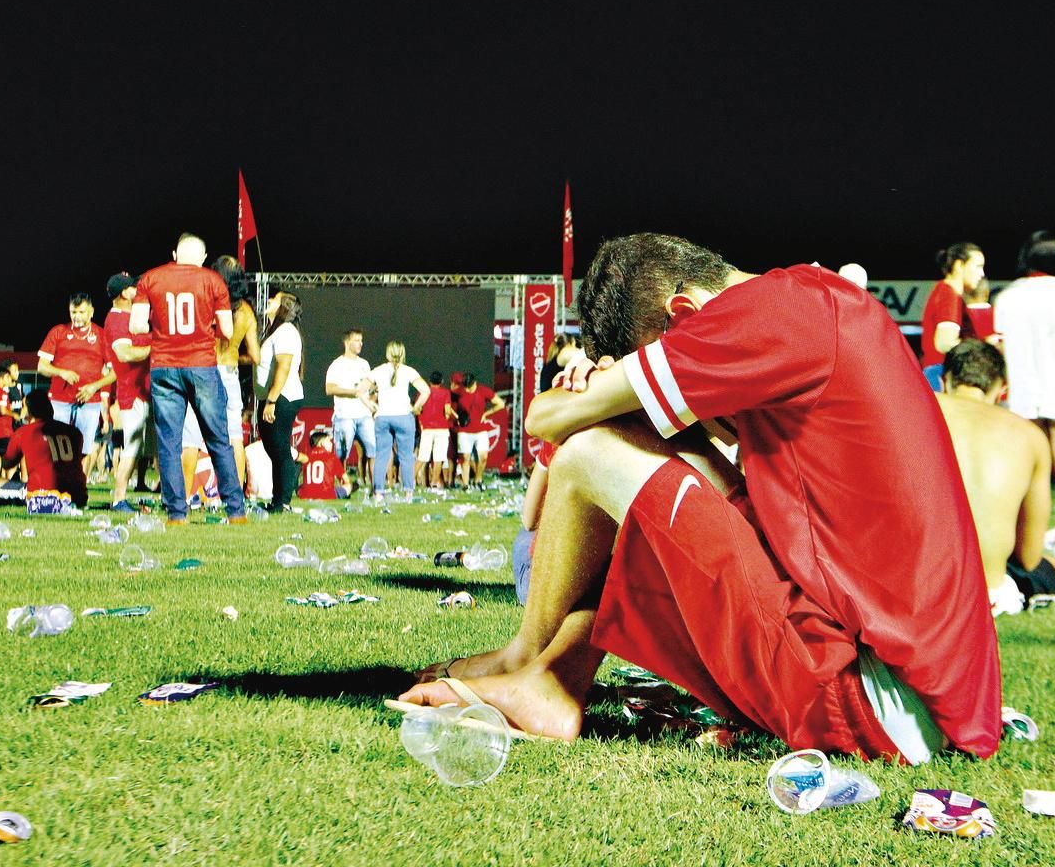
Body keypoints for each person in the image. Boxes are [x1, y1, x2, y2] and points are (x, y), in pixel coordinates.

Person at [400, 234, 1002, 762]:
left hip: (867, 702)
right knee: (649, 453)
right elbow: (706, 460)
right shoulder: (809, 300)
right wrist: (627, 395)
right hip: (919, 691)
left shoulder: (763, 315)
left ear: (681, 313)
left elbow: (549, 420)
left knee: (589, 451)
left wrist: (601, 390)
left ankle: (538, 670)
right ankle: (541, 669)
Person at [937, 341, 1055, 616]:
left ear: (944, 381)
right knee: (1053, 569)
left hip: (907, 587)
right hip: (985, 595)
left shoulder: (914, 409)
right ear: (1002, 390)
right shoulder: (1029, 435)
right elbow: (1029, 557)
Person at [130, 235, 246, 523]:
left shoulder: (151, 278)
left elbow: (135, 326)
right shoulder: (213, 281)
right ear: (204, 256)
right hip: (202, 366)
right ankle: (236, 511)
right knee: (218, 439)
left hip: (164, 366)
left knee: (170, 443)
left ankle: (176, 513)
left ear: (174, 253)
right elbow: (228, 331)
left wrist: (161, 330)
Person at [993, 231, 1055, 548]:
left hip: (1022, 389)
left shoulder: (1007, 296)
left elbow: (1001, 346)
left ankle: (1025, 532)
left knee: (1026, 464)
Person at [36, 293, 115, 479]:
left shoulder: (102, 336)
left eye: (81, 312)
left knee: (85, 449)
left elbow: (115, 373)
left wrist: (94, 387)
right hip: (60, 401)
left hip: (90, 402)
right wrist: (61, 372)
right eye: (73, 312)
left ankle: (79, 489)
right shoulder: (58, 332)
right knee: (57, 448)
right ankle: (56, 486)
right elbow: (41, 366)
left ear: (91, 312)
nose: (77, 316)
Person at [101, 272, 151, 510]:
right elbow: (125, 354)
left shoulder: (130, 316)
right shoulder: (117, 319)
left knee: (143, 448)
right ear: (124, 293)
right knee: (131, 447)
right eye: (133, 288)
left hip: (144, 390)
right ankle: (119, 498)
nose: (137, 291)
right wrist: (157, 348)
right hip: (132, 392)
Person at [0, 389, 88, 508]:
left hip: (43, 494)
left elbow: (7, 463)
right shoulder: (74, 432)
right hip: (78, 495)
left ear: (30, 412)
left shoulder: (24, 432)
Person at [210, 255, 260, 489]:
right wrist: (234, 356)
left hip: (206, 371)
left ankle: (193, 492)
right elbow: (256, 357)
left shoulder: (208, 304)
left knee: (195, 437)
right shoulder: (246, 312)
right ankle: (236, 492)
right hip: (230, 373)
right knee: (235, 437)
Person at [256, 289, 304, 513]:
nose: (268, 301)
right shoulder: (276, 331)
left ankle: (283, 501)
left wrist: (272, 400)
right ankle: (278, 500)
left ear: (283, 306)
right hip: (273, 396)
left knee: (280, 449)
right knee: (275, 449)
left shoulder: (285, 331)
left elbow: (283, 367)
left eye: (273, 299)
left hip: (281, 397)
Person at [919, 242, 985, 391]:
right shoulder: (949, 294)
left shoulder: (945, 292)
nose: (982, 274)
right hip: (941, 374)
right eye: (978, 267)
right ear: (959, 265)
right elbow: (944, 343)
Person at [370, 340, 429, 496]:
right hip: (403, 415)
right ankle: (408, 492)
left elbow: (361, 390)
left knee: (382, 455)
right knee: (406, 456)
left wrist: (371, 406)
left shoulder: (379, 370)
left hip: (383, 416)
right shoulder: (409, 371)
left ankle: (378, 492)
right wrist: (416, 407)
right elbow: (426, 390)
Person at [325, 329, 376, 486]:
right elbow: (330, 389)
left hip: (364, 414)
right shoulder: (337, 364)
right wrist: (352, 392)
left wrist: (373, 396)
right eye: (356, 340)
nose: (360, 343)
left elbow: (371, 387)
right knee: (341, 453)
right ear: (347, 342)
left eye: (361, 340)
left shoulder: (364, 364)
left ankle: (376, 487)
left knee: (373, 449)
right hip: (345, 414)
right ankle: (342, 485)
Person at [453, 372, 505, 489]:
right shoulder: (459, 392)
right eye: (466, 387)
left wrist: (487, 413)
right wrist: (456, 416)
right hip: (464, 430)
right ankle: (465, 484)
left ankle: (478, 479)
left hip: (480, 430)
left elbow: (500, 403)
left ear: (474, 383)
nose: (468, 390)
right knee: (465, 458)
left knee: (483, 457)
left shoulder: (483, 391)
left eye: (469, 387)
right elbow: (448, 404)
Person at [417, 370, 456, 490]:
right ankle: (434, 483)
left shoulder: (423, 393)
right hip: (441, 428)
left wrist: (422, 419)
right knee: (439, 457)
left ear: (429, 381)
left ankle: (410, 481)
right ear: (442, 381)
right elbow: (448, 410)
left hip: (427, 428)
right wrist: (448, 416)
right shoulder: (445, 393)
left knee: (422, 457)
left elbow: (418, 409)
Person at [297, 428, 351, 500]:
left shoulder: (306, 456)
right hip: (327, 494)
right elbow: (346, 480)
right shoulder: (332, 457)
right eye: (329, 441)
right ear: (321, 443)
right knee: (349, 486)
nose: (331, 444)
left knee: (300, 487)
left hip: (306, 495)